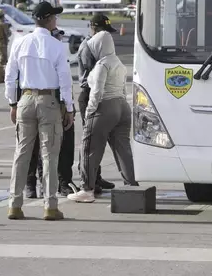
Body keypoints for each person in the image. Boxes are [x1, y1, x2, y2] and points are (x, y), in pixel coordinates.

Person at [4, 2, 74, 221]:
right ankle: (50, 206)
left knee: (22, 154)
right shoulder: (55, 46)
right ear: (50, 20)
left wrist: (13, 103)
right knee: (49, 155)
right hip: (48, 101)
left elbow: (10, 75)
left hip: (25, 99)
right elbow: (65, 80)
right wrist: (69, 108)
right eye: (55, 17)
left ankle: (14, 205)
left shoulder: (20, 42)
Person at [68, 29, 138, 203]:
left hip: (105, 107)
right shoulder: (119, 63)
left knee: (89, 148)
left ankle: (86, 189)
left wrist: (91, 112)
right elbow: (122, 89)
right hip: (122, 107)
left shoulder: (102, 65)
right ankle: (132, 185)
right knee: (123, 149)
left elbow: (97, 92)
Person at [25, 28, 79, 198]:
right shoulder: (35, 56)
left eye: (59, 36)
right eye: (56, 36)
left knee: (65, 147)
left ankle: (63, 182)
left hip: (60, 104)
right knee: (34, 148)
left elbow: (66, 81)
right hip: (42, 103)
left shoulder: (58, 53)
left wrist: (69, 107)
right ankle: (32, 184)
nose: (59, 39)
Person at [76, 14, 117, 194]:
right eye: (101, 30)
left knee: (98, 139)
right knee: (90, 140)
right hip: (89, 93)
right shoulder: (88, 47)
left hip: (99, 92)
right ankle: (87, 178)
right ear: (92, 27)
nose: (104, 35)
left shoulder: (100, 45)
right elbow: (92, 72)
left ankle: (96, 177)